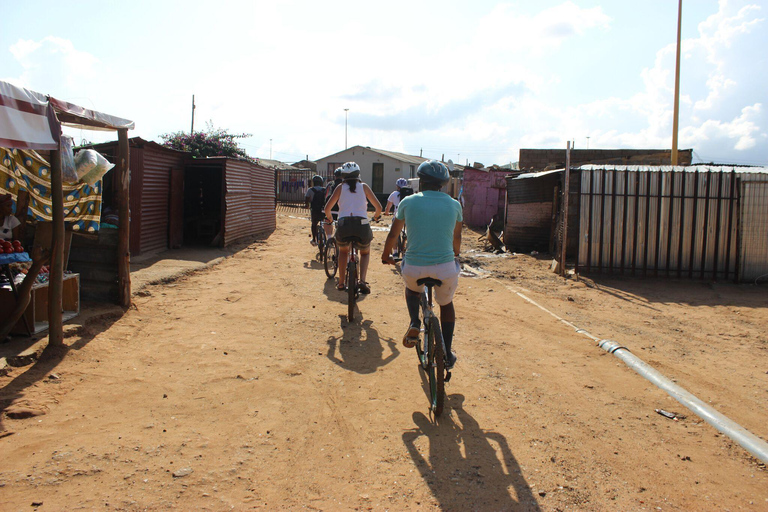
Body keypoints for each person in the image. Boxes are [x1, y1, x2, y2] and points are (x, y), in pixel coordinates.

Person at [381, 160, 462, 369]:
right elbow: (457, 240)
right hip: (444, 268)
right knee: (446, 304)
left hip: (414, 267)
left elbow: (393, 234)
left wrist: (386, 255)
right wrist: (454, 254)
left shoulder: (408, 201)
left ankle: (415, 322)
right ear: (443, 184)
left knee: (411, 290)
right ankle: (447, 352)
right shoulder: (454, 205)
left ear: (421, 181)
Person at [324, 162, 382, 294]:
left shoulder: (339, 188)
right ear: (358, 174)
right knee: (365, 252)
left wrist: (330, 218)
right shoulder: (364, 187)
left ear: (343, 176)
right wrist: (376, 217)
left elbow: (327, 208)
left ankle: (341, 282)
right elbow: (378, 207)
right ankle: (362, 281)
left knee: (343, 251)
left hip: (344, 224)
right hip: (361, 225)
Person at [304, 175, 326, 246]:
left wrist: (307, 205)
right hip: (323, 210)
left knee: (314, 224)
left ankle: (314, 239)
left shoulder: (310, 190)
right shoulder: (324, 190)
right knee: (325, 223)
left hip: (315, 210)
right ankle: (325, 237)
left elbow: (307, 199)